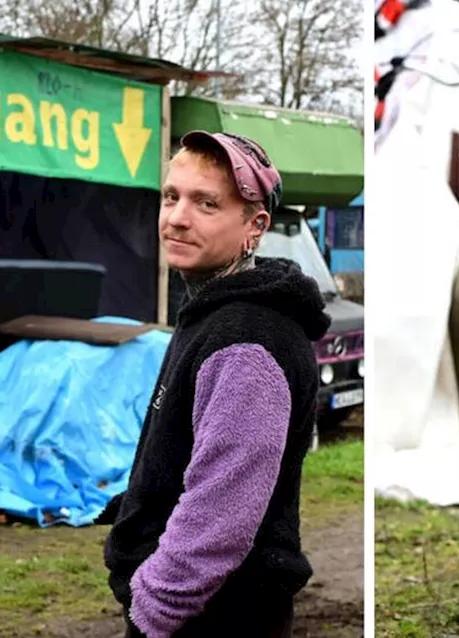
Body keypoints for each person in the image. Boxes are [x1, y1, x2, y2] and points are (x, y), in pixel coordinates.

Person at [100, 131, 332, 637]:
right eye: (171, 196)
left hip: (212, 616)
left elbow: (221, 516)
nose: (178, 217)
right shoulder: (214, 313)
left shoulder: (246, 340)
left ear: (255, 226)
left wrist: (153, 611)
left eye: (207, 203)